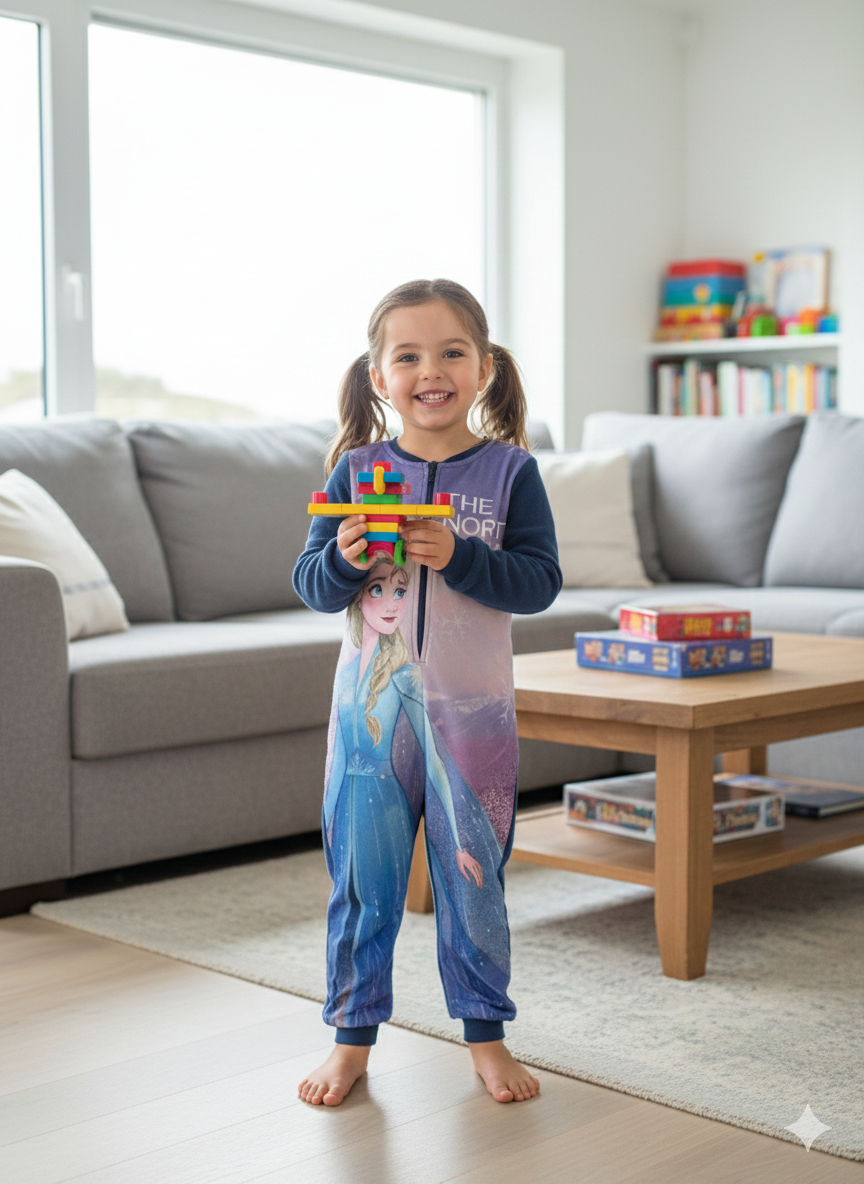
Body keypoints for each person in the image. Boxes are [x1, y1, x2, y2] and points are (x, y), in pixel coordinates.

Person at [293, 278, 561, 1107]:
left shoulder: (512, 473)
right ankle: (350, 1037)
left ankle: (485, 1035)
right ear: (380, 377)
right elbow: (309, 584)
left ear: (483, 369)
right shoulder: (354, 471)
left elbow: (540, 582)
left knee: (474, 877)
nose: (430, 370)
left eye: (451, 352)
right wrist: (342, 557)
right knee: (365, 881)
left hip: (472, 720)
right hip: (367, 720)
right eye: (407, 355)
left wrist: (460, 556)